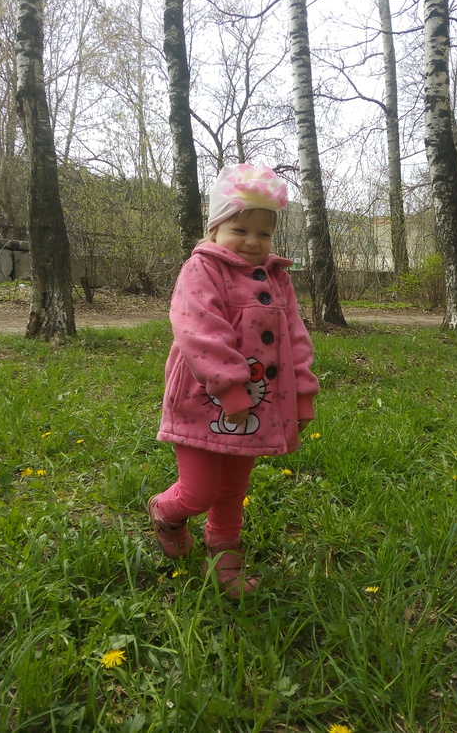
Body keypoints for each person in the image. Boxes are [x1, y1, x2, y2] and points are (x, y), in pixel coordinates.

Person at [149, 163, 320, 598]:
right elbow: (198, 329)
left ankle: (225, 558)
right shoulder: (202, 269)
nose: (252, 242)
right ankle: (166, 512)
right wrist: (229, 386)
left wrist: (302, 395)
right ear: (215, 228)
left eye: (264, 234)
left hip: (258, 405)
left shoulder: (278, 279)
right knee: (200, 491)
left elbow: (295, 338)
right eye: (240, 229)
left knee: (232, 491)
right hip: (203, 399)